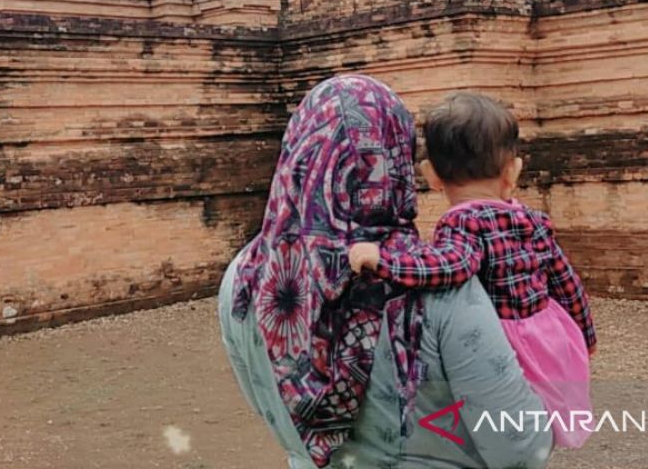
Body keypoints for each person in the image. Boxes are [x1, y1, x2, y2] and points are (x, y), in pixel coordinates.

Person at [218, 75, 552, 469]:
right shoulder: (437, 288)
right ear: (395, 158)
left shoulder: (244, 277)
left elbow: (266, 404)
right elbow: (521, 448)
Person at [348, 92, 595, 449]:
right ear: (513, 171)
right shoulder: (535, 220)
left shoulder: (462, 222)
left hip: (504, 340)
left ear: (431, 176)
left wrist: (384, 260)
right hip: (549, 334)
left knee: (495, 422)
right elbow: (566, 282)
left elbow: (451, 265)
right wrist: (585, 336)